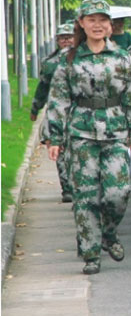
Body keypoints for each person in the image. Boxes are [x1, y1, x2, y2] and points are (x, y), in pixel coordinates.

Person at [46, 0, 131, 275]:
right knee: (86, 196)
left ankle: (109, 232)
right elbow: (59, 99)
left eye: (102, 20)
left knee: (118, 192)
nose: (97, 25)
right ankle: (91, 253)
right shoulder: (69, 59)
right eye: (91, 20)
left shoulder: (122, 57)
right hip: (81, 133)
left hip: (115, 132)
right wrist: (55, 138)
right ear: (82, 23)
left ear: (109, 24)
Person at [32, 22, 76, 203]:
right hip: (57, 110)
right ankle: (67, 187)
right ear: (57, 40)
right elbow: (43, 87)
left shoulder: (81, 58)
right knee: (60, 148)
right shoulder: (50, 62)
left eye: (69, 37)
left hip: (79, 110)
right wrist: (36, 107)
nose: (66, 41)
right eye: (62, 38)